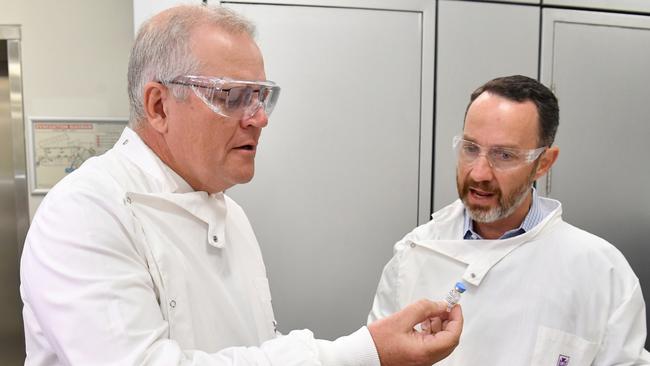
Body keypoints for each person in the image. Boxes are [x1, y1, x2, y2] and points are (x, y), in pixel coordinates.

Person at [19, 4, 462, 366]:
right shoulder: (85, 213)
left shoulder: (231, 214)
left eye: (261, 95)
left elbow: (254, 347)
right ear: (158, 106)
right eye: (231, 96)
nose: (259, 117)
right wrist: (365, 352)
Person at [369, 74, 650, 364]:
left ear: (543, 163)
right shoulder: (415, 253)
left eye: (504, 155)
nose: (479, 173)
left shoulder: (602, 272)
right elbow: (375, 358)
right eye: (470, 148)